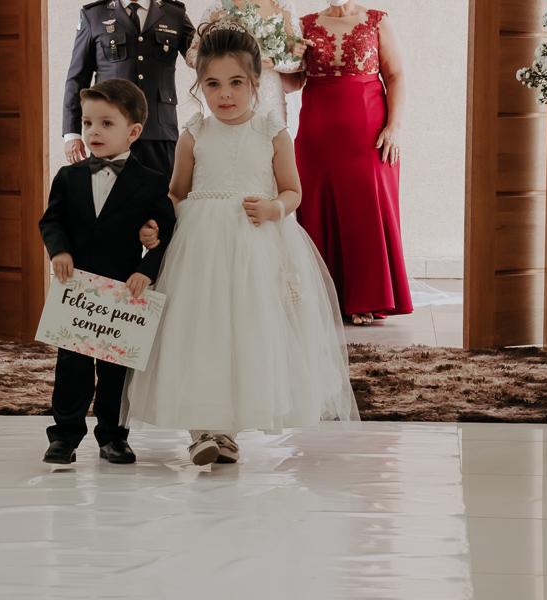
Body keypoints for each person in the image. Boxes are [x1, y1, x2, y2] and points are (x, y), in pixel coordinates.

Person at [122, 21, 359, 466]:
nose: (224, 94)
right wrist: (157, 224)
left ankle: (228, 429)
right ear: (199, 87)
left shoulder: (271, 130)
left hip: (257, 243)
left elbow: (293, 191)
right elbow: (177, 192)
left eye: (236, 83)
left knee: (248, 332)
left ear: (255, 84)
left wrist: (274, 208)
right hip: (201, 246)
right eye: (212, 84)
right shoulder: (195, 132)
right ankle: (203, 428)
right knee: (201, 330)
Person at [39, 79, 177, 466]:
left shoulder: (150, 182)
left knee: (117, 371)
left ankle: (114, 436)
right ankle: (64, 435)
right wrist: (59, 251)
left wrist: (147, 270)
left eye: (106, 123)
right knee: (72, 367)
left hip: (122, 291)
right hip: (77, 289)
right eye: (87, 123)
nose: (93, 132)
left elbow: (166, 232)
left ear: (133, 132)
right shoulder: (68, 177)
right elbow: (52, 221)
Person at [284, 0, 413, 326]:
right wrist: (279, 59)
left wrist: (394, 126)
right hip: (317, 134)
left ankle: (366, 299)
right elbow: (293, 82)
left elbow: (395, 74)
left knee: (365, 212)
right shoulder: (304, 23)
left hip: (369, 133)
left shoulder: (377, 20)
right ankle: (324, 298)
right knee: (317, 208)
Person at [63, 0, 196, 180]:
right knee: (111, 203)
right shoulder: (94, 14)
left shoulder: (174, 12)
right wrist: (72, 133)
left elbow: (204, 56)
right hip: (109, 132)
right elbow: (77, 79)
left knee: (160, 201)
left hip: (159, 131)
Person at [187, 0, 307, 125]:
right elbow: (192, 55)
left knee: (271, 138)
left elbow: (300, 61)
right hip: (228, 93)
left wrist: (273, 63)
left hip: (269, 96)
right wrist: (221, 64)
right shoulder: (217, 7)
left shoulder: (282, 7)